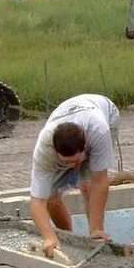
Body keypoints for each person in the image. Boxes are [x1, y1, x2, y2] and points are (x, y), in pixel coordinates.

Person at [30, 94, 120, 255]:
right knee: (51, 196)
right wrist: (49, 237)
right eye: (66, 162)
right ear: (55, 152)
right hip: (70, 117)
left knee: (87, 186)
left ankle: (96, 235)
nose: (72, 167)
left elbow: (100, 180)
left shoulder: (99, 131)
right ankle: (68, 239)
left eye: (76, 161)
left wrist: (96, 228)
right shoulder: (44, 149)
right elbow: (37, 201)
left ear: (85, 147)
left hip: (106, 112)